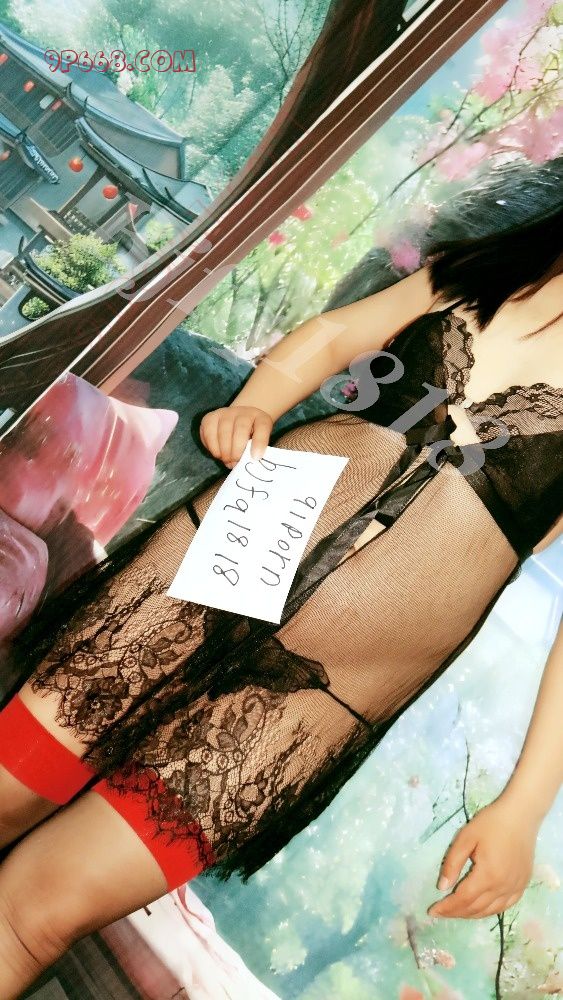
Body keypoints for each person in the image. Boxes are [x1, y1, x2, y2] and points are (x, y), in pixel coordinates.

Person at [0, 207, 562, 997]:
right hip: (216, 565)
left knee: (41, 906)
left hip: (328, 691)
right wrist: (256, 402)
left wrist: (524, 805)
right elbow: (333, 337)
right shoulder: (482, 272)